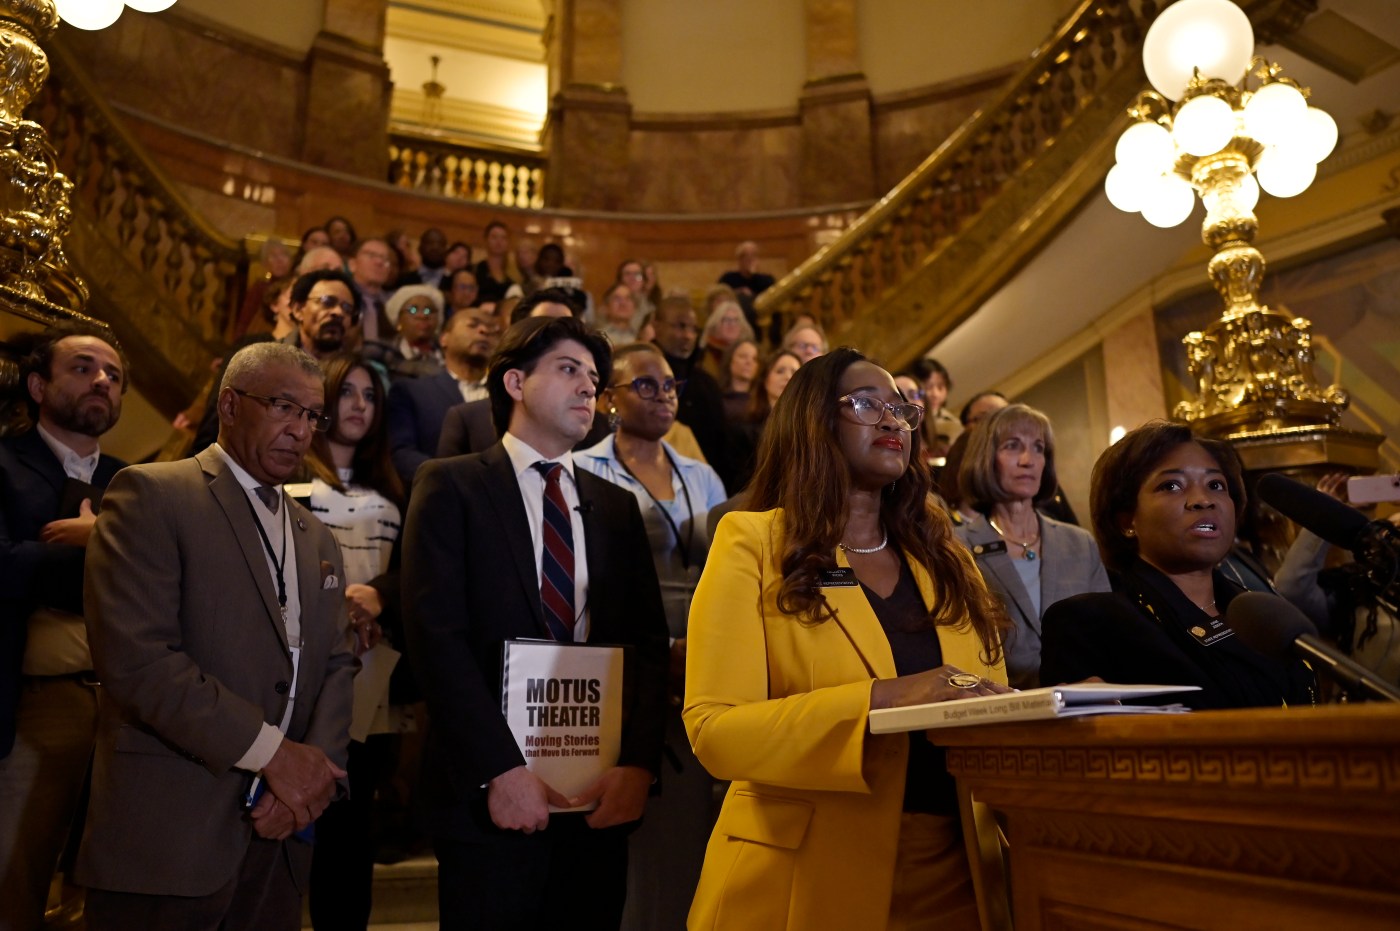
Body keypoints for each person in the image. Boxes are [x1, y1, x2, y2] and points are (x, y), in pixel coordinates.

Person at [684, 348, 1009, 930]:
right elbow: (714, 729)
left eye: (900, 409)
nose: (891, 421)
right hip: (803, 876)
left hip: (957, 874)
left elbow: (982, 698)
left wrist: (1055, 709)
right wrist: (885, 698)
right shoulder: (752, 541)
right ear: (813, 420)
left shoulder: (947, 558)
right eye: (865, 404)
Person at [401, 315, 670, 930]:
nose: (588, 388)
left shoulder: (617, 507)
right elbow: (434, 639)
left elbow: (648, 649)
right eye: (569, 370)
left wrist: (638, 767)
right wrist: (499, 768)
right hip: (488, 794)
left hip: (596, 797)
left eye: (595, 378)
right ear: (516, 382)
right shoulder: (451, 485)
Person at [78, 342, 354, 928]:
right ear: (229, 404)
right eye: (283, 407)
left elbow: (336, 663)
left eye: (312, 416)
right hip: (171, 833)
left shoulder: (317, 536)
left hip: (280, 840)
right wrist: (275, 756)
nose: (300, 430)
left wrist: (309, 780)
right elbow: (140, 662)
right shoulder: (151, 493)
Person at [575, 344, 728, 930]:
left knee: (690, 825)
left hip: (704, 652)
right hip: (626, 653)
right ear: (609, 398)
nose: (663, 394)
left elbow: (723, 572)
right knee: (639, 829)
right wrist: (658, 653)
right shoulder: (585, 469)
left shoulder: (702, 473)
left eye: (670, 384)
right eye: (645, 384)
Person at [1040, 420, 1316, 709]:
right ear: (1126, 521)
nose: (1202, 500)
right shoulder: (1088, 623)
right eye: (1171, 485)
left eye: (1216, 485)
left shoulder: (1261, 615)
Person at [0, 324, 128, 931]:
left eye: (113, 374)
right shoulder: (3, 462)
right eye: (82, 368)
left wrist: (96, 537)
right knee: (13, 879)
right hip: (33, 704)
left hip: (131, 706)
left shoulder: (137, 485)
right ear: (37, 385)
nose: (102, 379)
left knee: (107, 889)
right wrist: (102, 553)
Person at [302, 354, 406, 931]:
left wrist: (381, 596)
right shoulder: (287, 472)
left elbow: (415, 569)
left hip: (368, 666)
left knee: (350, 818)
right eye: (348, 392)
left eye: (370, 395)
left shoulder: (391, 488)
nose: (360, 404)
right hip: (295, 660)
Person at [953, 404, 1109, 689]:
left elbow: (1108, 634)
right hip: (1002, 710)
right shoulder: (956, 546)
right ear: (986, 458)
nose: (1029, 460)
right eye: (1012, 446)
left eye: (1038, 448)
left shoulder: (1079, 543)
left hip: (1085, 709)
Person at [386, 305, 503, 488]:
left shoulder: (510, 396)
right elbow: (401, 453)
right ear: (444, 338)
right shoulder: (411, 391)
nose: (484, 331)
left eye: (492, 331)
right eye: (473, 325)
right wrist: (448, 481)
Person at [651, 294, 732, 490]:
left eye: (693, 329)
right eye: (680, 326)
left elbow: (721, 447)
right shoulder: (643, 380)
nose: (688, 335)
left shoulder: (707, 383)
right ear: (656, 325)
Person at [727, 349, 801, 492]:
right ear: (765, 381)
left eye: (794, 373)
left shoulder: (811, 430)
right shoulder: (742, 431)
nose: (788, 377)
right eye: (780, 371)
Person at [366, 284, 445, 380]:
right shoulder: (382, 355)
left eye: (428, 310)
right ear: (399, 320)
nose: (422, 316)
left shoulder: (447, 355)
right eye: (413, 310)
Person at [286, 268, 360, 361]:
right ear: (298, 310)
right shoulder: (270, 361)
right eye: (327, 301)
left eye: (347, 308)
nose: (339, 312)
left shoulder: (355, 372)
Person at [348, 238, 396, 343]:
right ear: (352, 264)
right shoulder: (343, 298)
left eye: (385, 259)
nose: (379, 262)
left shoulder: (393, 304)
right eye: (371, 255)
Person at [698, 298, 753, 382]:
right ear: (715, 324)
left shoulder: (748, 352)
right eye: (726, 320)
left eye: (736, 320)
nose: (732, 324)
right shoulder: (704, 354)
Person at [474, 220, 516, 304]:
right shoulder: (476, 270)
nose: (499, 241)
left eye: (503, 238)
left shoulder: (515, 273)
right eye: (494, 237)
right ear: (486, 240)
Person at [718, 338, 759, 424]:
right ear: (730, 360)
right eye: (743, 356)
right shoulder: (716, 399)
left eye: (754, 359)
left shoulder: (761, 403)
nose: (749, 362)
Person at [396, 227, 449, 291]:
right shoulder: (404, 280)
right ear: (420, 248)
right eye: (430, 243)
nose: (435, 247)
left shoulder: (452, 282)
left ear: (446, 251)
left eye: (440, 244)